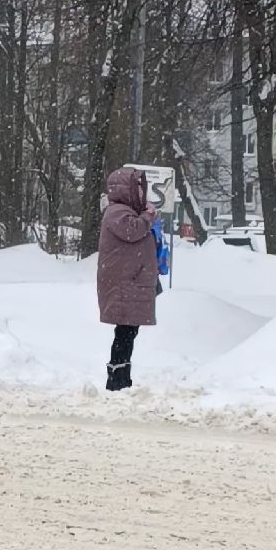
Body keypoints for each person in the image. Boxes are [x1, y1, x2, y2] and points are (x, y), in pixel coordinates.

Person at [97, 167, 159, 391]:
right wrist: (148, 217)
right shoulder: (118, 213)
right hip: (124, 285)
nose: (143, 194)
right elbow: (133, 231)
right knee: (125, 331)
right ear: (128, 190)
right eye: (139, 188)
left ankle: (121, 377)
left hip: (131, 283)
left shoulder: (124, 212)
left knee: (128, 331)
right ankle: (117, 379)